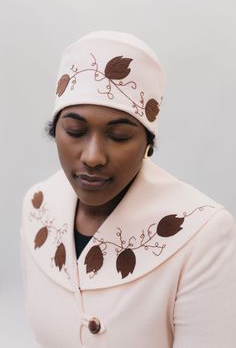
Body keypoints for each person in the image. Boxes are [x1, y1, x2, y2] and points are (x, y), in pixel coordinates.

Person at [21, 31, 236, 348]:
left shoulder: (203, 233)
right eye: (75, 131)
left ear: (148, 143)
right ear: (56, 130)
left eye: (119, 136)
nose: (93, 157)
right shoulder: (38, 207)